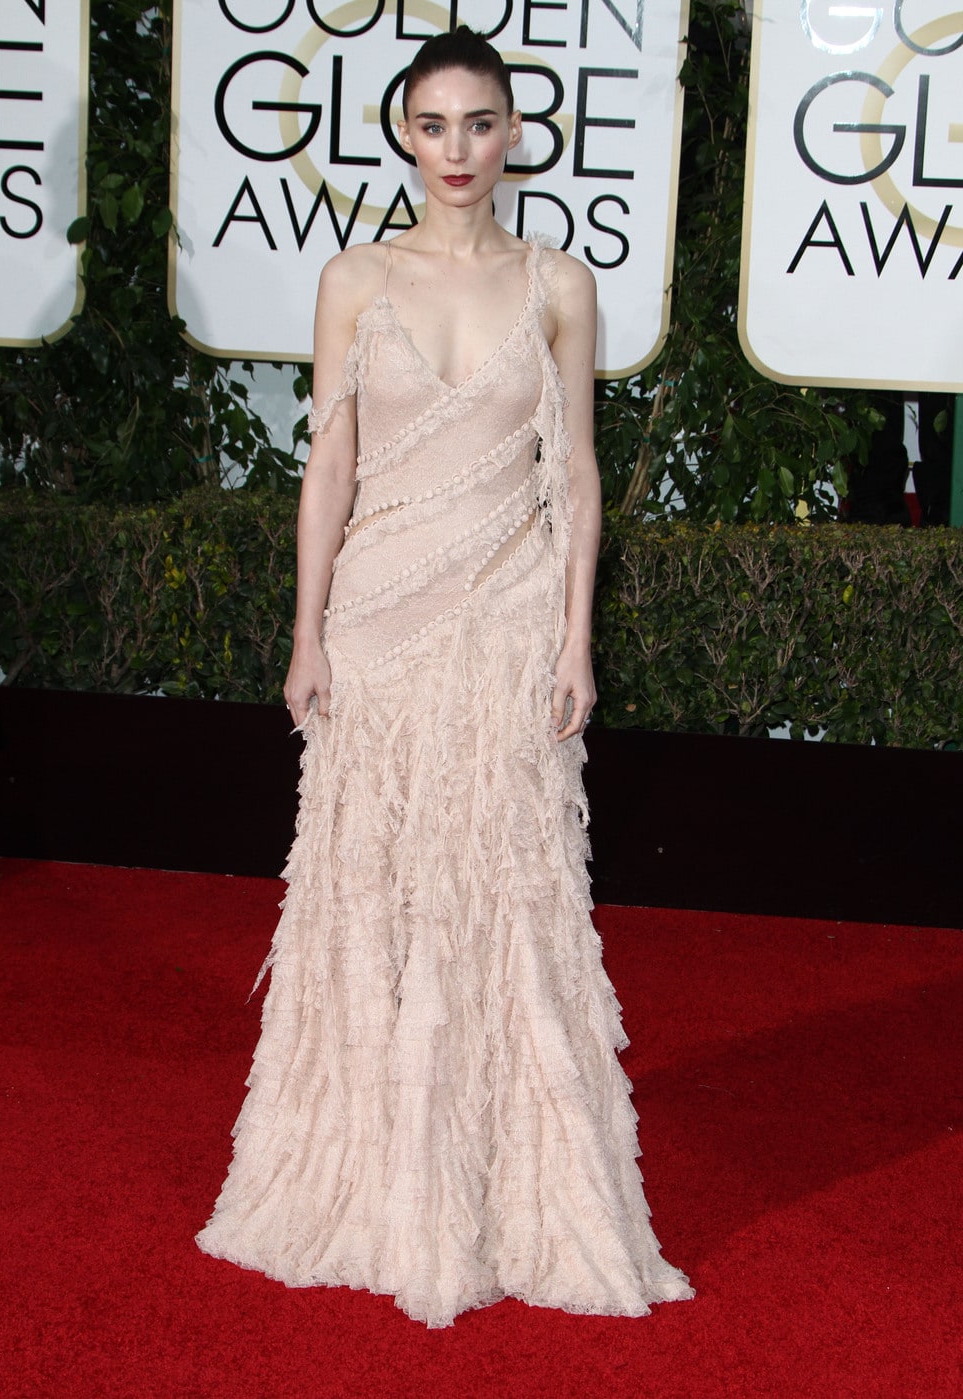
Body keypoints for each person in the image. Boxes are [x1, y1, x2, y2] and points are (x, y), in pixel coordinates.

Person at [196, 26, 693, 1329]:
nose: (459, 149)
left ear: (516, 134)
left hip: (510, 621)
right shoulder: (355, 277)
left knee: (503, 890)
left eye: (482, 123)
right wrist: (306, 634)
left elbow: (575, 471)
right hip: (380, 622)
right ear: (404, 135)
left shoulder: (560, 283)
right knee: (380, 888)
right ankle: (372, 1176)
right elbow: (329, 466)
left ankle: (513, 1187)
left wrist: (578, 636)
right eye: (435, 124)